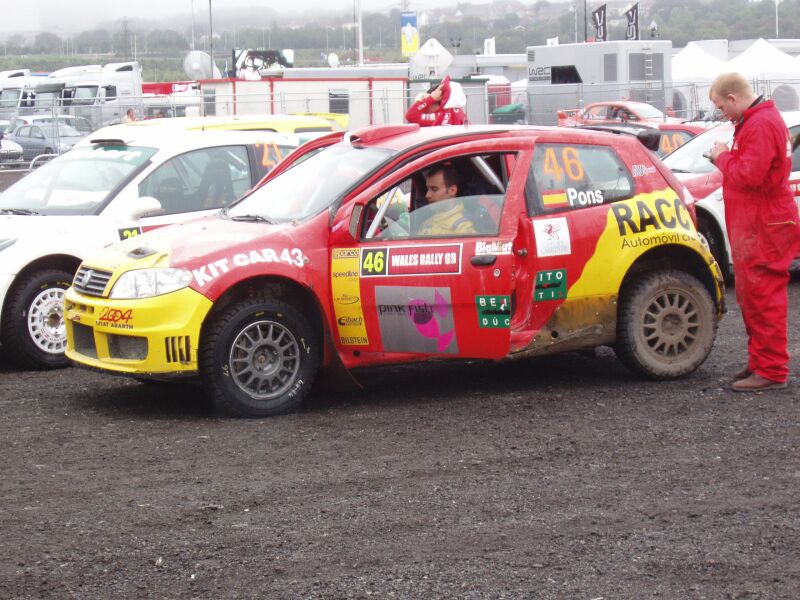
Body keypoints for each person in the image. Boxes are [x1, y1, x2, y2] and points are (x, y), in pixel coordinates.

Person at [708, 72, 800, 392]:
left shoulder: (759, 124)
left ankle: (771, 370)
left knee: (763, 296)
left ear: (733, 98)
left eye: (722, 107)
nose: (723, 113)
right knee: (752, 295)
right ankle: (761, 361)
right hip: (760, 223)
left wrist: (721, 156)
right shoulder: (759, 121)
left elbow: (749, 174)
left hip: (763, 225)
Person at [415, 164, 476, 236]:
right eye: (428, 189)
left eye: (434, 189)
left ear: (452, 190)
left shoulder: (462, 227)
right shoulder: (429, 221)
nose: (427, 195)